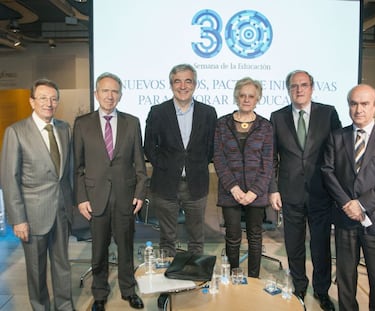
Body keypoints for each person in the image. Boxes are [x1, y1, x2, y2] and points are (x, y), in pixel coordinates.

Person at [321, 84, 375, 311]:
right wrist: (347, 204)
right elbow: (327, 171)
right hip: (345, 218)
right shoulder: (336, 137)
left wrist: (361, 204)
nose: (358, 109)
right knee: (346, 280)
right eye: (354, 103)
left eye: (365, 104)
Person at [73, 72, 147, 311]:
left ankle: (128, 290)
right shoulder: (82, 123)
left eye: (114, 91)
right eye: (105, 91)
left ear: (120, 95)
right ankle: (100, 294)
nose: (110, 95)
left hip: (126, 197)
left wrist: (140, 192)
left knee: (126, 247)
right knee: (98, 250)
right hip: (95, 198)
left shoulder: (132, 122)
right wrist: (82, 198)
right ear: (96, 94)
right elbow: (78, 167)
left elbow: (140, 163)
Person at [268, 70, 341, 310]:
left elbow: (338, 153)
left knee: (320, 246)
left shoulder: (328, 113)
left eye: (304, 85)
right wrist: (273, 188)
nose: (299, 90)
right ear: (288, 90)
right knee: (294, 245)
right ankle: (299, 287)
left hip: (321, 192)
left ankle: (321, 291)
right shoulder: (277, 117)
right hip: (290, 193)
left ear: (312, 87)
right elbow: (272, 158)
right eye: (294, 86)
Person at [0, 79, 74, 310]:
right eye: (43, 98)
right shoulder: (16, 132)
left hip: (61, 212)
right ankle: (40, 307)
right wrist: (18, 219)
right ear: (32, 101)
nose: (49, 103)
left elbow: (66, 172)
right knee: (36, 269)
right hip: (32, 217)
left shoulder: (63, 129)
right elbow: (9, 179)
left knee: (62, 266)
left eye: (53, 98)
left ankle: (64, 306)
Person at [144, 64, 217, 256]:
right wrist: (166, 167)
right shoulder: (158, 112)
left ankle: (195, 277)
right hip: (165, 184)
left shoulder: (208, 113)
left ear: (195, 84)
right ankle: (168, 280)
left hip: (197, 183)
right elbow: (149, 147)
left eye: (188, 81)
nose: (183, 86)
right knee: (167, 238)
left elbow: (212, 147)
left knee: (196, 238)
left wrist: (197, 165)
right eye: (178, 81)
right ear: (171, 85)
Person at [213, 77, 273, 277]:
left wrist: (254, 192)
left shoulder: (265, 126)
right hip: (231, 192)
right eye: (242, 95)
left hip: (256, 194)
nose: (246, 99)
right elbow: (219, 158)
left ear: (257, 99)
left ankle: (253, 280)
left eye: (251, 96)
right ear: (236, 97)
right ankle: (233, 277)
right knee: (232, 237)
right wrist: (234, 188)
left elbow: (268, 162)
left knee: (255, 238)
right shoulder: (222, 124)